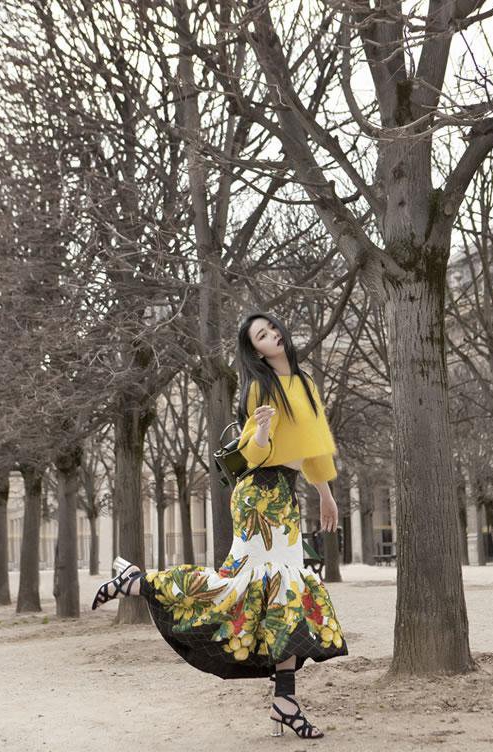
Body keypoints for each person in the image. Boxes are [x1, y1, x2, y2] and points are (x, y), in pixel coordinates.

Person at [92, 311, 348, 739]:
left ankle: (284, 702)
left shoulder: (305, 384)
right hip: (259, 495)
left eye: (272, 328)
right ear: (256, 351)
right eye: (261, 335)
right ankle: (140, 582)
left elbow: (315, 448)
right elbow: (252, 454)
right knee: (242, 586)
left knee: (284, 593)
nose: (272, 335)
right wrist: (261, 433)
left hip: (285, 497)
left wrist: (325, 493)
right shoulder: (259, 386)